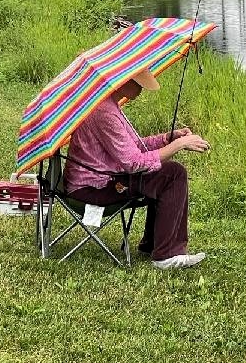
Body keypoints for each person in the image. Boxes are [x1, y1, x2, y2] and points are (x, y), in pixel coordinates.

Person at [63, 69, 211, 270]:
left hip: (104, 178)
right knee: (173, 173)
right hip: (93, 188)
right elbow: (133, 163)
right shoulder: (103, 111)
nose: (141, 89)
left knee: (166, 173)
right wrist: (179, 145)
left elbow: (136, 146)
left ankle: (152, 244)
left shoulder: (109, 105)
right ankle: (166, 255)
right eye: (138, 84)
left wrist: (169, 137)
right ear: (122, 81)